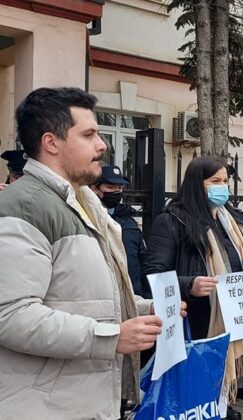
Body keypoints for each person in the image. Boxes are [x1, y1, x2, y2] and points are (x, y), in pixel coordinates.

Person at [0, 87, 164, 418]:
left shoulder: (84, 204)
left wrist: (145, 307)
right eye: (89, 134)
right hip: (43, 407)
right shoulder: (25, 206)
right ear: (51, 142)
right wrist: (111, 338)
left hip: (83, 401)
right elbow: (10, 315)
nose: (102, 145)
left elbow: (80, 297)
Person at [144, 156, 243, 420]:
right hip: (196, 324)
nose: (223, 187)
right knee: (195, 398)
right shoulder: (173, 220)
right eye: (215, 181)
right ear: (197, 184)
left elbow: (237, 267)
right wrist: (190, 285)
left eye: (226, 181)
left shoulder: (232, 222)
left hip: (230, 323)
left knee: (216, 399)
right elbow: (153, 275)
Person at [92, 165, 148, 298]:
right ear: (94, 189)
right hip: (105, 299)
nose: (117, 192)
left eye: (120, 188)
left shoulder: (129, 222)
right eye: (110, 187)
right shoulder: (88, 220)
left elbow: (143, 260)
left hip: (135, 297)